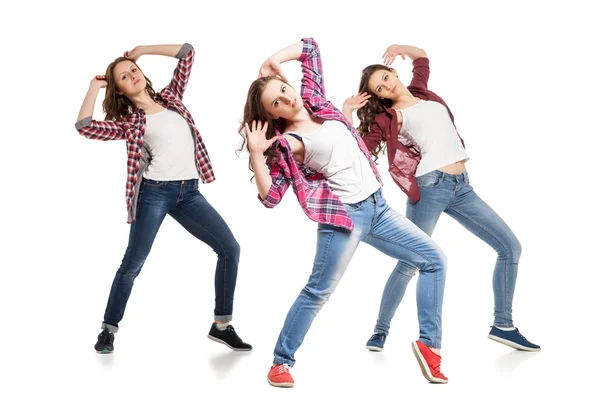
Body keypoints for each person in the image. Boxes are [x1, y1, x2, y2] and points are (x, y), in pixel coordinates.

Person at [238, 37, 449, 386]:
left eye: (284, 89)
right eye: (276, 101)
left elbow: (309, 49)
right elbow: (270, 197)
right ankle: (281, 362)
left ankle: (430, 346)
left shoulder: (318, 103)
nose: (287, 98)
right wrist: (257, 154)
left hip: (378, 209)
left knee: (434, 260)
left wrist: (270, 60)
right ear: (272, 114)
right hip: (345, 219)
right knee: (318, 291)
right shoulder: (287, 143)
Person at [347, 43, 539, 353]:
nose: (386, 86)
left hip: (462, 187)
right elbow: (359, 149)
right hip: (430, 188)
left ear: (393, 72)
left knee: (510, 247)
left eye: (385, 77)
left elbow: (421, 57)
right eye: (379, 88)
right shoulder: (387, 117)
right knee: (411, 261)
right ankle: (380, 330)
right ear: (378, 96)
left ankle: (503, 325)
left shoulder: (421, 92)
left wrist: (400, 47)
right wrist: (347, 113)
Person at [75, 42, 252, 354]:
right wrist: (94, 86)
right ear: (118, 90)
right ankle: (108, 329)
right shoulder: (129, 121)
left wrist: (142, 50)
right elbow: (85, 127)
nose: (133, 76)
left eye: (134, 71)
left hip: (189, 193)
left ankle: (221, 325)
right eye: (124, 78)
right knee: (132, 263)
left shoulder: (171, 99)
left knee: (230, 248)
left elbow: (188, 52)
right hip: (154, 194)